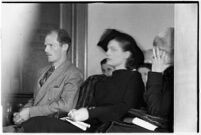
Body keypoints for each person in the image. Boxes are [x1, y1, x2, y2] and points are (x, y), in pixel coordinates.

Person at [20, 29, 145, 133]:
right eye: (107, 49)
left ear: (126, 54)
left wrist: (89, 113)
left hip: (108, 129)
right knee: (36, 123)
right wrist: (78, 111)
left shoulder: (134, 78)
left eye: (113, 49)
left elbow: (124, 108)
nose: (107, 53)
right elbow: (92, 105)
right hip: (87, 125)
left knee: (39, 125)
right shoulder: (102, 80)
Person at [12, 29, 83, 125]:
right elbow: (36, 100)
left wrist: (30, 112)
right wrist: (21, 114)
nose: (46, 50)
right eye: (45, 45)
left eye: (51, 45)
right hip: (34, 123)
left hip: (51, 127)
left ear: (65, 47)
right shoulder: (42, 71)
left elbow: (66, 106)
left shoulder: (73, 73)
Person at [144, 27, 174, 132]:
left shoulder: (172, 75)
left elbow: (155, 113)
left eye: (159, 49)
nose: (155, 54)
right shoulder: (168, 74)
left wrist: (155, 74)